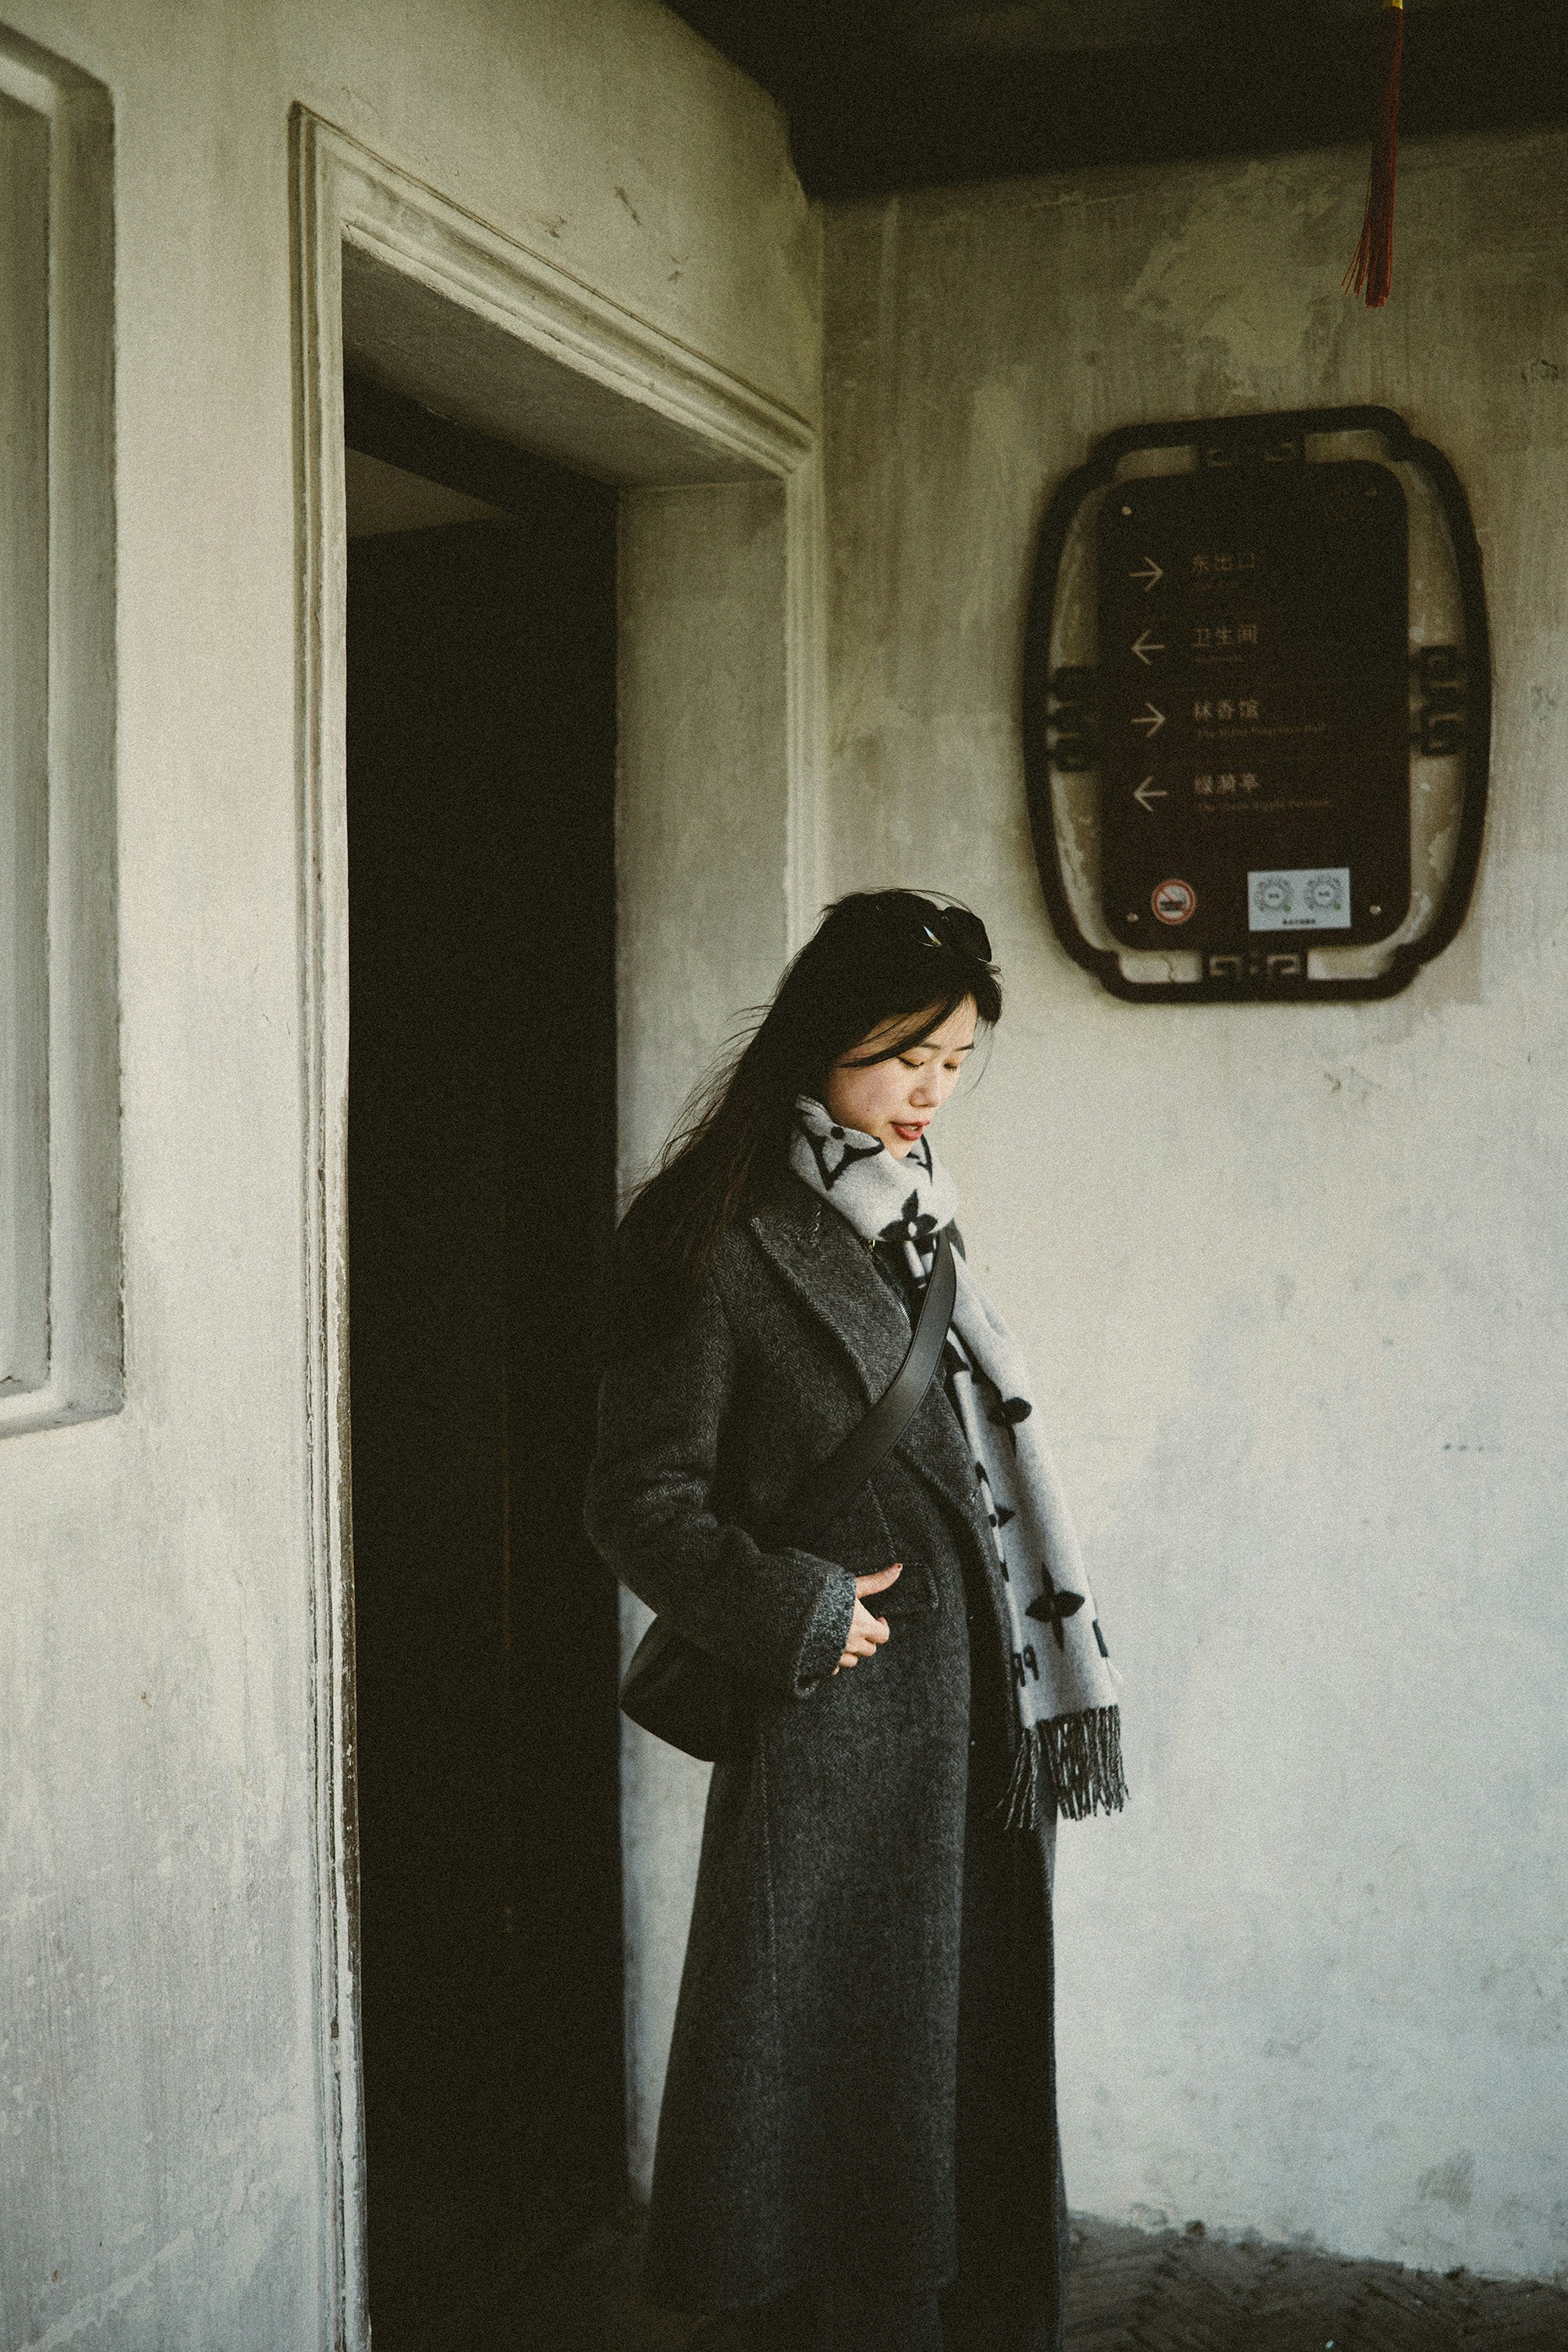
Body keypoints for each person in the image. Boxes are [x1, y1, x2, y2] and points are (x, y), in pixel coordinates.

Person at [585, 890, 1125, 2352]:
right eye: (900, 1058)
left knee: (959, 2074)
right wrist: (802, 1610)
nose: (928, 1093)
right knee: (835, 2103)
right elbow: (639, 1499)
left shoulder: (917, 1214)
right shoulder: (718, 1236)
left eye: (954, 1059)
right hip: (837, 1736)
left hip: (979, 1733)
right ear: (820, 1044)